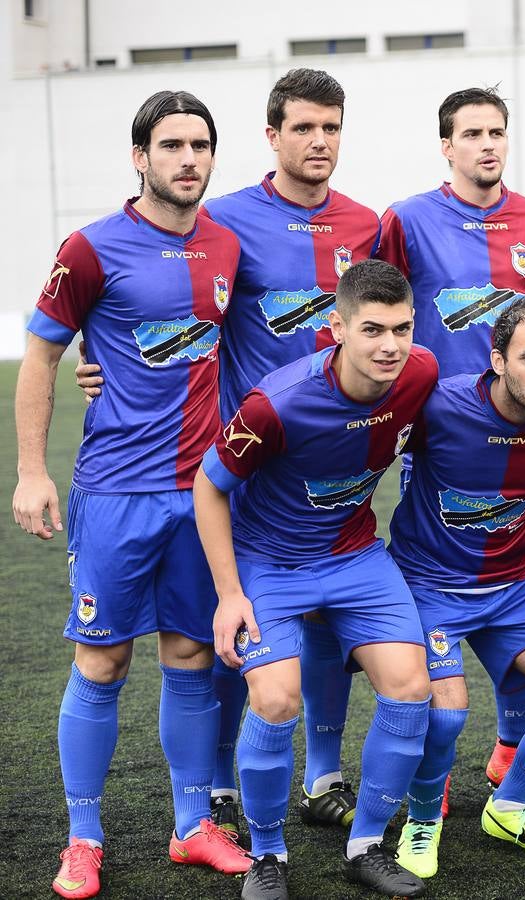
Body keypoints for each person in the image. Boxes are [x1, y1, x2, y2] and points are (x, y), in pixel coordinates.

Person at [79, 67, 383, 836]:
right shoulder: (227, 222)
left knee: (324, 623)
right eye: (305, 127)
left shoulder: (367, 226)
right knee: (230, 627)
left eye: (332, 127)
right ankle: (214, 783)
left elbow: (385, 322)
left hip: (339, 467)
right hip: (246, 465)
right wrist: (101, 363)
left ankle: (323, 775)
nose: (320, 141)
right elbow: (169, 297)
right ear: (272, 135)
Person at [14, 90, 252, 899]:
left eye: (201, 145)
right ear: (140, 157)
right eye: (172, 145)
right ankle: (83, 838)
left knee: (188, 654)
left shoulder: (226, 245)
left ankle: (191, 827)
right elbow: (42, 357)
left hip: (202, 492)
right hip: (116, 489)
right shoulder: (90, 248)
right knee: (102, 659)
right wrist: (33, 470)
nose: (189, 159)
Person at [194, 259, 437, 899]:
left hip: (355, 558)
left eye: (402, 329)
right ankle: (269, 854)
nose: (390, 346)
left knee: (413, 689)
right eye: (373, 330)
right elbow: (208, 487)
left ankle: (366, 844)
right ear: (336, 329)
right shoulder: (275, 404)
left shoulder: (421, 373)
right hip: (269, 563)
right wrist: (229, 594)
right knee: (275, 700)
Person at [377, 85, 525, 816]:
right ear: (446, 145)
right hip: (442, 433)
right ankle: (403, 762)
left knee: (518, 572)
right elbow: (375, 310)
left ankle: (509, 752)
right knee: (449, 562)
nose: (488, 145)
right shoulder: (406, 220)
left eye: (498, 131)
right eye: (472, 134)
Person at [390, 296, 525, 874]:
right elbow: (358, 439)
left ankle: (508, 805)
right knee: (446, 715)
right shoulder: (439, 407)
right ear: (496, 359)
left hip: (513, 587)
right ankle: (421, 821)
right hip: (431, 583)